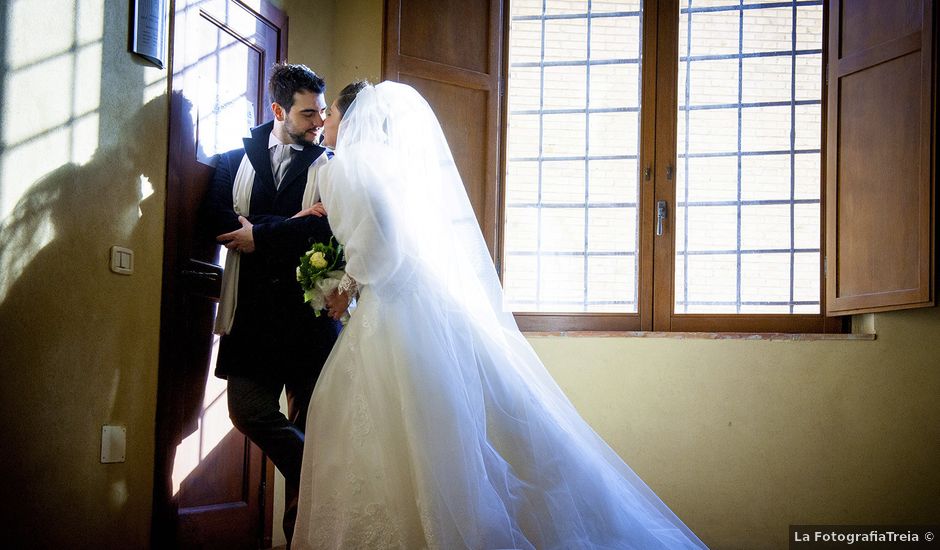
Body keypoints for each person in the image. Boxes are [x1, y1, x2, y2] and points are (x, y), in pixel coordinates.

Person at [292, 81, 708, 549]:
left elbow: (379, 244)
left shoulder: (348, 165)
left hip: (391, 313)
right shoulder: (393, 169)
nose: (324, 122)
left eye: (329, 115)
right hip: (421, 305)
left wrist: (346, 285)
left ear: (350, 119)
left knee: (395, 428)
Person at [202, 63, 343, 545]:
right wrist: (290, 223)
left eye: (321, 113)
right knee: (247, 411)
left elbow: (325, 229)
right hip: (252, 319)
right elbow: (217, 218)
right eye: (307, 114)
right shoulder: (230, 160)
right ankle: (326, 474)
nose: (318, 123)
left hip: (311, 322)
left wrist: (259, 232)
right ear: (278, 110)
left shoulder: (330, 165)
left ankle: (300, 541)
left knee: (311, 423)